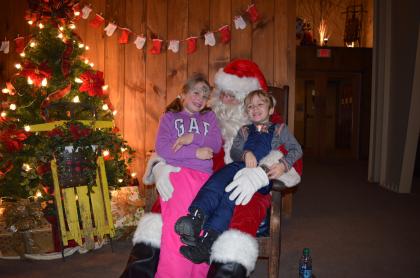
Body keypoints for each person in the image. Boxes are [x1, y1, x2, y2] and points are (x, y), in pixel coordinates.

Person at [122, 59, 303, 278]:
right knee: (166, 205)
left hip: (247, 186)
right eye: (222, 93)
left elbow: (293, 155)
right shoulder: (205, 117)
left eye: (233, 95)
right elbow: (172, 142)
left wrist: (262, 173)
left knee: (240, 218)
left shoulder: (271, 122)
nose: (225, 99)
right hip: (203, 178)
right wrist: (160, 165)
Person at [175, 89, 302, 264]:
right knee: (217, 181)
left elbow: (297, 150)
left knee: (230, 197)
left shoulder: (279, 129)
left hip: (256, 175)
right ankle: (196, 217)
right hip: (238, 165)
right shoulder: (244, 130)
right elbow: (235, 151)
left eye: (260, 104)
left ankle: (209, 241)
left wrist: (283, 165)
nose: (255, 109)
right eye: (250, 106)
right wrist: (245, 154)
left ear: (271, 109)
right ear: (246, 111)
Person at [121, 73, 222, 278]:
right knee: (179, 230)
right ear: (183, 93)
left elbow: (216, 143)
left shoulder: (209, 117)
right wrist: (195, 152)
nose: (200, 98)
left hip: (204, 179)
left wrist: (191, 137)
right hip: (178, 176)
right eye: (196, 92)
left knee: (199, 230)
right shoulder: (170, 118)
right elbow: (163, 149)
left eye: (204, 95)